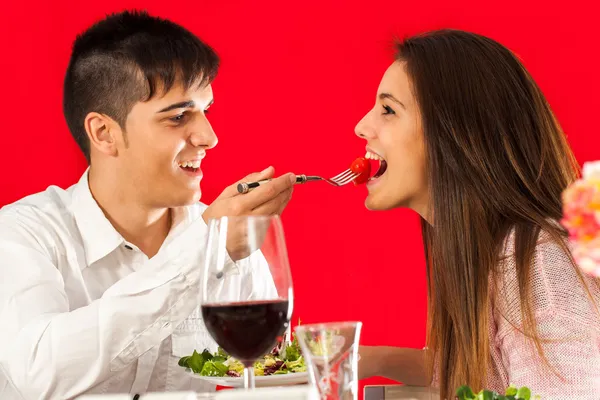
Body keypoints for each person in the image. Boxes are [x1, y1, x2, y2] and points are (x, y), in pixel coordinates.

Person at [0, 10, 295, 399]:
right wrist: (206, 250)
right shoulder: (22, 233)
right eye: (178, 117)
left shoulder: (228, 236)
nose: (209, 136)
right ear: (104, 133)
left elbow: (272, 378)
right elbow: (39, 373)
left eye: (206, 110)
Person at [354, 29, 600, 399]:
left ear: (454, 133)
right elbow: (490, 369)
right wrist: (368, 359)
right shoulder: (497, 251)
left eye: (388, 110)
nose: (362, 127)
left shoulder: (538, 265)